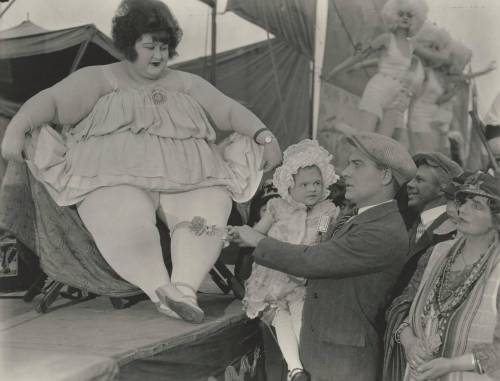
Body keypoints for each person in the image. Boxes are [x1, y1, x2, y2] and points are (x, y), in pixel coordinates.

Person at [0, 0, 282, 324]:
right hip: (113, 176)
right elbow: (51, 102)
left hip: (191, 175)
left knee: (204, 214)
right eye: (149, 46)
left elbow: (228, 110)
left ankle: (185, 290)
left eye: (164, 46)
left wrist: (264, 136)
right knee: (126, 222)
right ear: (129, 44)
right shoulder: (103, 78)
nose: (158, 55)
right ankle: (160, 288)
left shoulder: (185, 83)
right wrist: (18, 126)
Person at [229, 132, 417, 381]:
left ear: (385, 176)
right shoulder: (360, 217)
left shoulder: (382, 230)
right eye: (348, 163)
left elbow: (315, 260)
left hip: (341, 364)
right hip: (324, 354)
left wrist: (258, 241)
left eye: (357, 164)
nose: (345, 172)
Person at [241, 139, 339, 381]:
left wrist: (314, 248)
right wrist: (239, 235)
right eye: (304, 184)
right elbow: (258, 233)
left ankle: (305, 366)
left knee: (300, 316)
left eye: (317, 183)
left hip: (302, 275)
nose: (312, 189)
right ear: (289, 187)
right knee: (278, 317)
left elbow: (322, 238)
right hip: (273, 275)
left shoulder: (326, 212)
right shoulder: (277, 208)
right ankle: (295, 369)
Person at [396, 173, 500, 380]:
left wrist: (451, 365)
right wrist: (409, 342)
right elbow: (403, 306)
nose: (463, 210)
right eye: (463, 202)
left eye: (477, 206)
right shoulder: (436, 252)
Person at [383, 153, 464, 381]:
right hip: (401, 343)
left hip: (425, 353)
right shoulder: (412, 225)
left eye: (420, 180)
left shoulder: (451, 235)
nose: (410, 185)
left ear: (443, 189)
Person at [324, 0, 438, 138]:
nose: (405, 17)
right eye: (401, 14)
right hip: (378, 89)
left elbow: (434, 59)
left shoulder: (412, 46)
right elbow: (359, 57)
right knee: (365, 137)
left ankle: (339, 126)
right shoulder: (386, 38)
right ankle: (337, 126)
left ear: (415, 20)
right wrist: (337, 69)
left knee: (381, 143)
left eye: (409, 15)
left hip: (396, 95)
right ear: (393, 16)